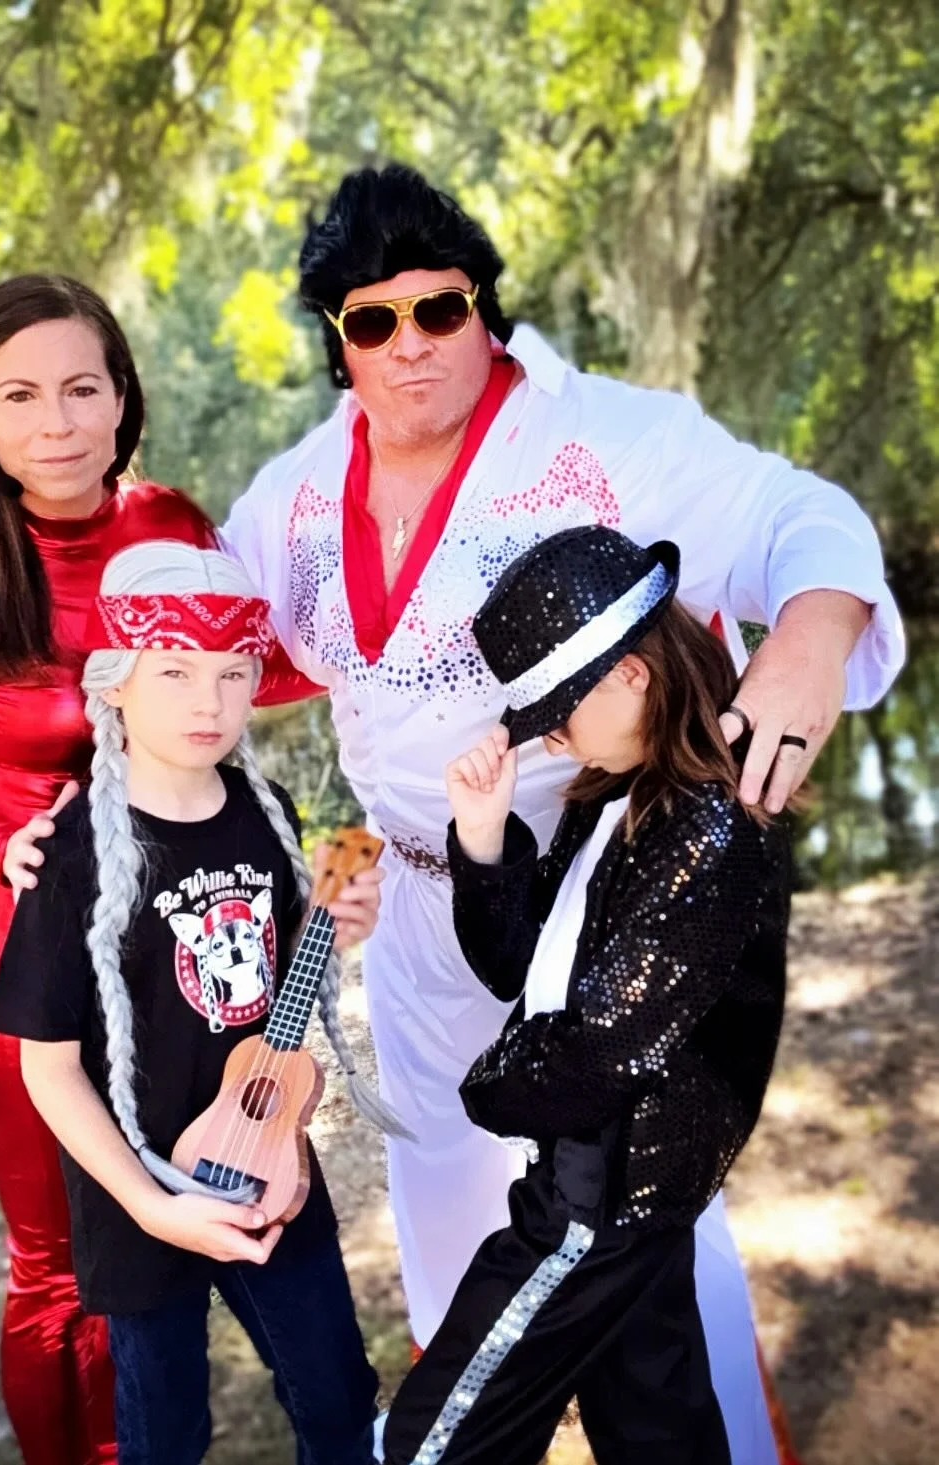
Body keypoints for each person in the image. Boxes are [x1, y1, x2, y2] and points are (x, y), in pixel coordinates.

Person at [218, 164, 905, 1463]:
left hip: (609, 904)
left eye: (443, 308)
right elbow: (224, 662)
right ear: (336, 340)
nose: (413, 345)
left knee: (647, 1238)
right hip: (431, 909)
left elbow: (803, 519)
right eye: (375, 322)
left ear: (486, 304)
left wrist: (806, 647)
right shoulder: (294, 496)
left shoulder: (615, 440)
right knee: (454, 1245)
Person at [0, 274, 341, 1464]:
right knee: (60, 1267)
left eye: (81, 387)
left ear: (122, 397)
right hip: (21, 957)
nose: (55, 421)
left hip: (178, 949)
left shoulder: (171, 526)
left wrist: (371, 650)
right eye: (19, 395)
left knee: (180, 1215)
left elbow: (237, 673)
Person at [382, 525, 792, 1465]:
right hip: (622, 1198)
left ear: (631, 677)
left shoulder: (707, 830)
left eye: (559, 711)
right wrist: (483, 841)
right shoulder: (614, 801)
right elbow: (528, 971)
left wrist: (482, 1092)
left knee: (432, 1443)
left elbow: (601, 1047)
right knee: (661, 1434)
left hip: (599, 1201)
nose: (553, 736)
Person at [0, 540, 382, 1465]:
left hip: (267, 1175)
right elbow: (47, 1064)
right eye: (175, 671)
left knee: (335, 1393)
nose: (209, 702)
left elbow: (272, 991)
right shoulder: (69, 851)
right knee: (165, 1427)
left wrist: (336, 922)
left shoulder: (265, 809)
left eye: (234, 672)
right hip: (139, 1195)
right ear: (116, 682)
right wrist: (150, 1206)